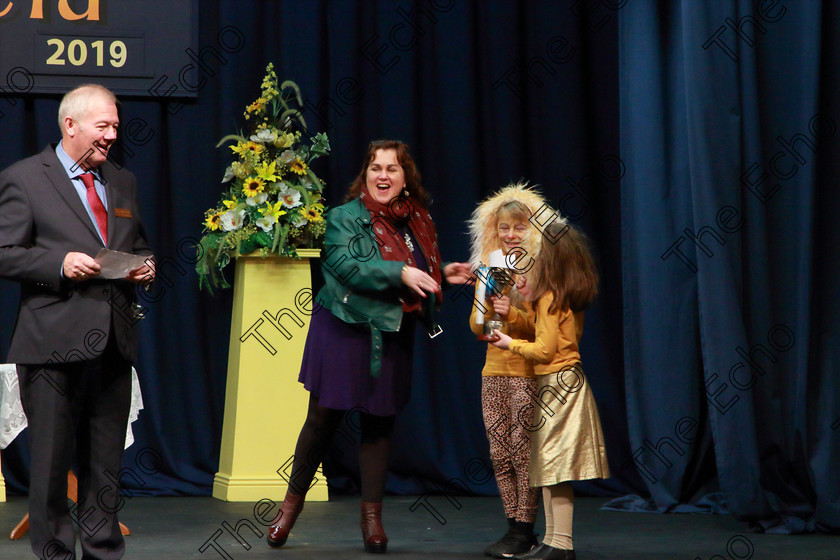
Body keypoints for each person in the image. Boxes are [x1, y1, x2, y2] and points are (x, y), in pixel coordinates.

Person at [266, 139, 470, 554]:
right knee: (322, 420)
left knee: (379, 424)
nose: (382, 176)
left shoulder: (419, 220)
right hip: (344, 326)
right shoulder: (344, 217)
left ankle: (372, 522)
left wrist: (441, 275)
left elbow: (419, 271)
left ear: (404, 178)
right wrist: (400, 274)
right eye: (375, 167)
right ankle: (288, 510)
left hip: (392, 329)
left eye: (392, 169)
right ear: (366, 174)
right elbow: (345, 266)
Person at [0, 84, 155, 560]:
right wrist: (59, 264)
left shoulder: (122, 181)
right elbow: (5, 253)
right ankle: (54, 554)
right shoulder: (24, 178)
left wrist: (146, 265)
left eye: (114, 126)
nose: (112, 135)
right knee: (49, 464)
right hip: (51, 344)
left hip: (113, 343)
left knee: (105, 466)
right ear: (71, 125)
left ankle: (104, 551)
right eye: (102, 126)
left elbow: (139, 242)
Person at [491, 221, 609, 560]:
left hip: (559, 384)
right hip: (558, 383)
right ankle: (553, 541)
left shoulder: (551, 298)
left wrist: (510, 342)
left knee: (554, 468)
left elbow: (543, 350)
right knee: (546, 467)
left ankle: (562, 543)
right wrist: (523, 303)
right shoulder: (554, 296)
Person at [466, 183, 549, 558]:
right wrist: (488, 309)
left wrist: (511, 312)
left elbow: (544, 331)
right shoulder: (490, 268)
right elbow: (475, 327)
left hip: (527, 371)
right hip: (493, 372)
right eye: (504, 227)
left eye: (519, 226)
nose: (511, 234)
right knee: (499, 453)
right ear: (493, 230)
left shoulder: (541, 272)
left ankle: (525, 528)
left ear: (532, 229)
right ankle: (513, 526)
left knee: (522, 452)